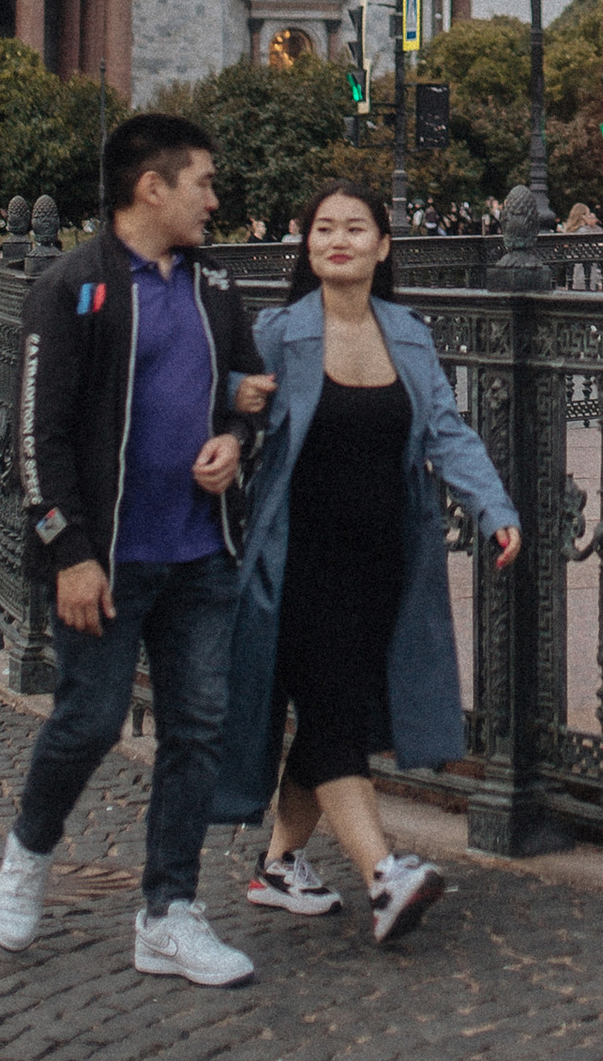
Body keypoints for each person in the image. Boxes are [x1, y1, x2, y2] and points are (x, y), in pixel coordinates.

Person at [0, 112, 273, 987]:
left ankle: (170, 913)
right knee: (88, 721)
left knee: (197, 730)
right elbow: (39, 437)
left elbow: (244, 392)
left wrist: (235, 438)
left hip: (200, 555)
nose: (214, 200)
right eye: (203, 182)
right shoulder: (74, 287)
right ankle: (29, 852)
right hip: (107, 562)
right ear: (153, 187)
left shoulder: (217, 285)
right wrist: (68, 550)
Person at [215, 178, 521, 944]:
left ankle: (280, 868)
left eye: (355, 228)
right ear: (307, 245)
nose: (338, 240)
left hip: (387, 558)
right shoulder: (281, 332)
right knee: (334, 713)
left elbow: (447, 433)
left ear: (383, 245)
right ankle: (386, 875)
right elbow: (232, 408)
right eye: (323, 229)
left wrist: (494, 509)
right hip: (298, 562)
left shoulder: (407, 333)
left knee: (334, 715)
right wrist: (234, 410)